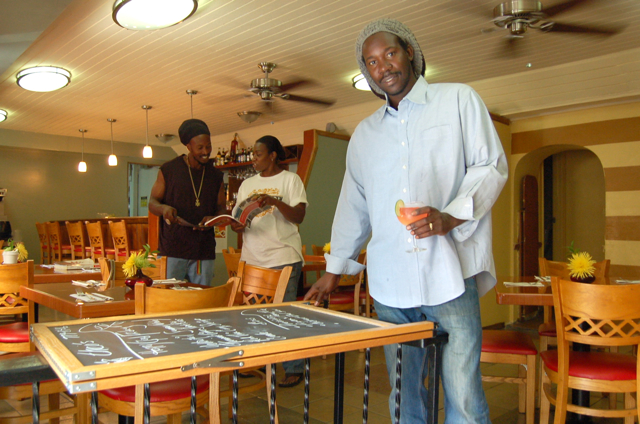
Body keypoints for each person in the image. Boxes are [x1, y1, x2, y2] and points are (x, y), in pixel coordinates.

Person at [304, 19, 508, 423]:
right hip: (390, 282)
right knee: (404, 389)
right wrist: (335, 269)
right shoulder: (364, 134)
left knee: (463, 392)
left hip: (450, 273)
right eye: (372, 62)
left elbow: (490, 166)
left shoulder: (458, 100)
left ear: (410, 52)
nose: (383, 67)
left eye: (390, 54)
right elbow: (354, 205)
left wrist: (451, 216)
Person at [229, 135, 307, 388]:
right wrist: (234, 224)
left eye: (258, 154)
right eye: (253, 154)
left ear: (273, 155)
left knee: (284, 315)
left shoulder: (290, 180)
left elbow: (299, 216)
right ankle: (257, 361)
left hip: (283, 255)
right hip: (252, 257)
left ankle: (293, 367)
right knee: (253, 316)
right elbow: (238, 225)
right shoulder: (246, 184)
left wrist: (273, 201)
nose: (254, 159)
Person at [149, 118, 230, 286]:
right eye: (200, 147)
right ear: (188, 146)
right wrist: (163, 208)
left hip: (203, 250)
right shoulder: (169, 169)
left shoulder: (216, 176)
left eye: (208, 146)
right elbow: (152, 202)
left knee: (202, 300)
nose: (206, 151)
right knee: (170, 299)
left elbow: (222, 208)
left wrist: (215, 218)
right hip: (173, 249)